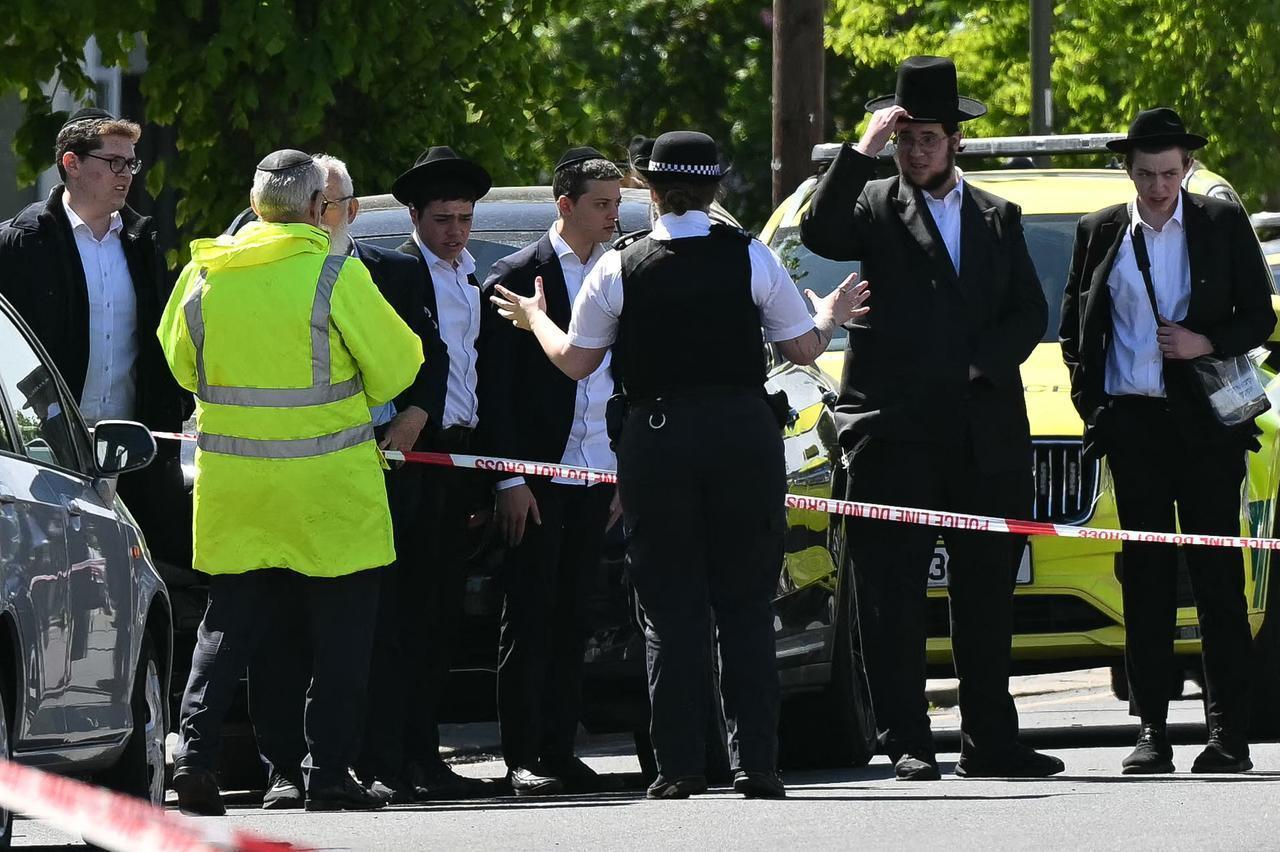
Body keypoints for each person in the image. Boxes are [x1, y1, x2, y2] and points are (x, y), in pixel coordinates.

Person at [492, 130, 869, 800]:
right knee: (746, 606)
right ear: (716, 188)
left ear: (651, 192)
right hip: (743, 439)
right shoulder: (749, 255)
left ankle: (677, 768)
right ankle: (757, 764)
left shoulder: (621, 265)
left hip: (657, 441)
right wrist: (832, 314)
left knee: (669, 611)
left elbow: (577, 361)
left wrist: (532, 319)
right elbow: (804, 346)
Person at [798, 55, 1061, 780]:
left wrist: (978, 363)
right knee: (891, 597)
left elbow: (1027, 313)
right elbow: (819, 232)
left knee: (984, 596)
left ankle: (991, 740)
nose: (916, 151)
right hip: (895, 431)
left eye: (928, 139)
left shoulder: (998, 217)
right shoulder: (874, 205)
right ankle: (907, 740)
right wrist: (861, 150)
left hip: (983, 437)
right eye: (906, 138)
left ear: (956, 142)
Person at [160, 150, 423, 815]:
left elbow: (180, 364)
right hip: (331, 490)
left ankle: (194, 757)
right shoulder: (335, 276)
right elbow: (399, 368)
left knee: (227, 630)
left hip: (238, 489)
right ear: (315, 208)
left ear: (254, 207)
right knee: (340, 641)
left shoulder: (203, 274)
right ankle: (329, 774)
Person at [1059, 107, 1275, 774]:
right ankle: (1151, 730)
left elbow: (1260, 316)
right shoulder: (1100, 232)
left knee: (1216, 581)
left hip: (1207, 428)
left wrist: (1203, 342)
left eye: (1171, 173)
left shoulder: (1217, 223)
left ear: (1187, 169)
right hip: (1135, 426)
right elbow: (1075, 328)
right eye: (1147, 174)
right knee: (1145, 582)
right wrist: (1095, 407)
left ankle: (1227, 733)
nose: (1159, 187)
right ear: (1130, 171)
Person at [242, 154, 443, 809]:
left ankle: (360, 762)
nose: (322, 214)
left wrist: (411, 420)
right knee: (276, 634)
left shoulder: (393, 273)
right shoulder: (252, 275)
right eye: (314, 203)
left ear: (351, 211)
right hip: (277, 484)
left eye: (332, 204)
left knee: (366, 634)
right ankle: (283, 769)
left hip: (369, 478)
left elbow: (426, 360)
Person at [478, 147, 623, 796]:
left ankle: (561, 749)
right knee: (529, 615)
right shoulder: (517, 276)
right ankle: (522, 755)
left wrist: (620, 471)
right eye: (601, 206)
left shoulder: (622, 273)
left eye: (617, 204)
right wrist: (509, 480)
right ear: (565, 207)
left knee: (574, 618)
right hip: (536, 480)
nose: (613, 217)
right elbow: (496, 393)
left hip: (598, 475)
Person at [0, 107, 193, 570]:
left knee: (136, 584)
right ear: (71, 164)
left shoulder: (140, 240)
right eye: (114, 162)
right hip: (46, 451)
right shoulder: (21, 244)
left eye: (131, 163)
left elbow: (155, 342)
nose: (126, 174)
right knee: (51, 579)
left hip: (132, 450)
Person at [359, 146, 494, 800]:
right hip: (408, 460)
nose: (455, 231)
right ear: (415, 216)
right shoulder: (394, 274)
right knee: (395, 619)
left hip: (459, 462)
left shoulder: (475, 278)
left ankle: (424, 753)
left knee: (439, 617)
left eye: (465, 218)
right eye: (443, 218)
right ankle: (385, 758)